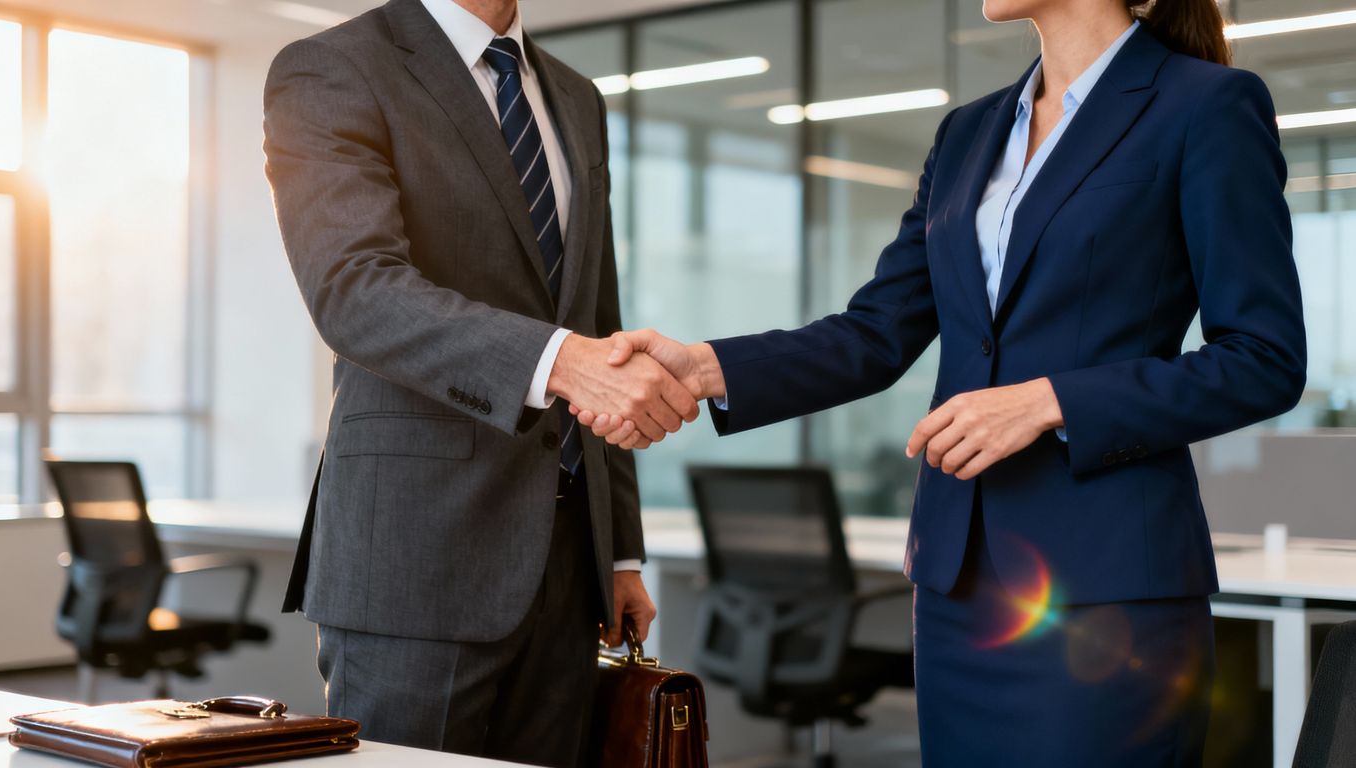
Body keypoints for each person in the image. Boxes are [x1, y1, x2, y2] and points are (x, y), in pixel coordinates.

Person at [577, 0, 1306, 764]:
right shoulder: (969, 133)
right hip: (959, 587)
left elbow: (1263, 356)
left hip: (1107, 586)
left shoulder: (1205, 105)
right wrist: (708, 367)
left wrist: (1050, 401)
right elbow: (878, 331)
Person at [262, 0, 700, 764]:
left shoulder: (574, 96)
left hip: (567, 567)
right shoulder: (334, 67)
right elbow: (354, 290)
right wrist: (562, 362)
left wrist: (619, 553)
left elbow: (601, 328)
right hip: (416, 553)